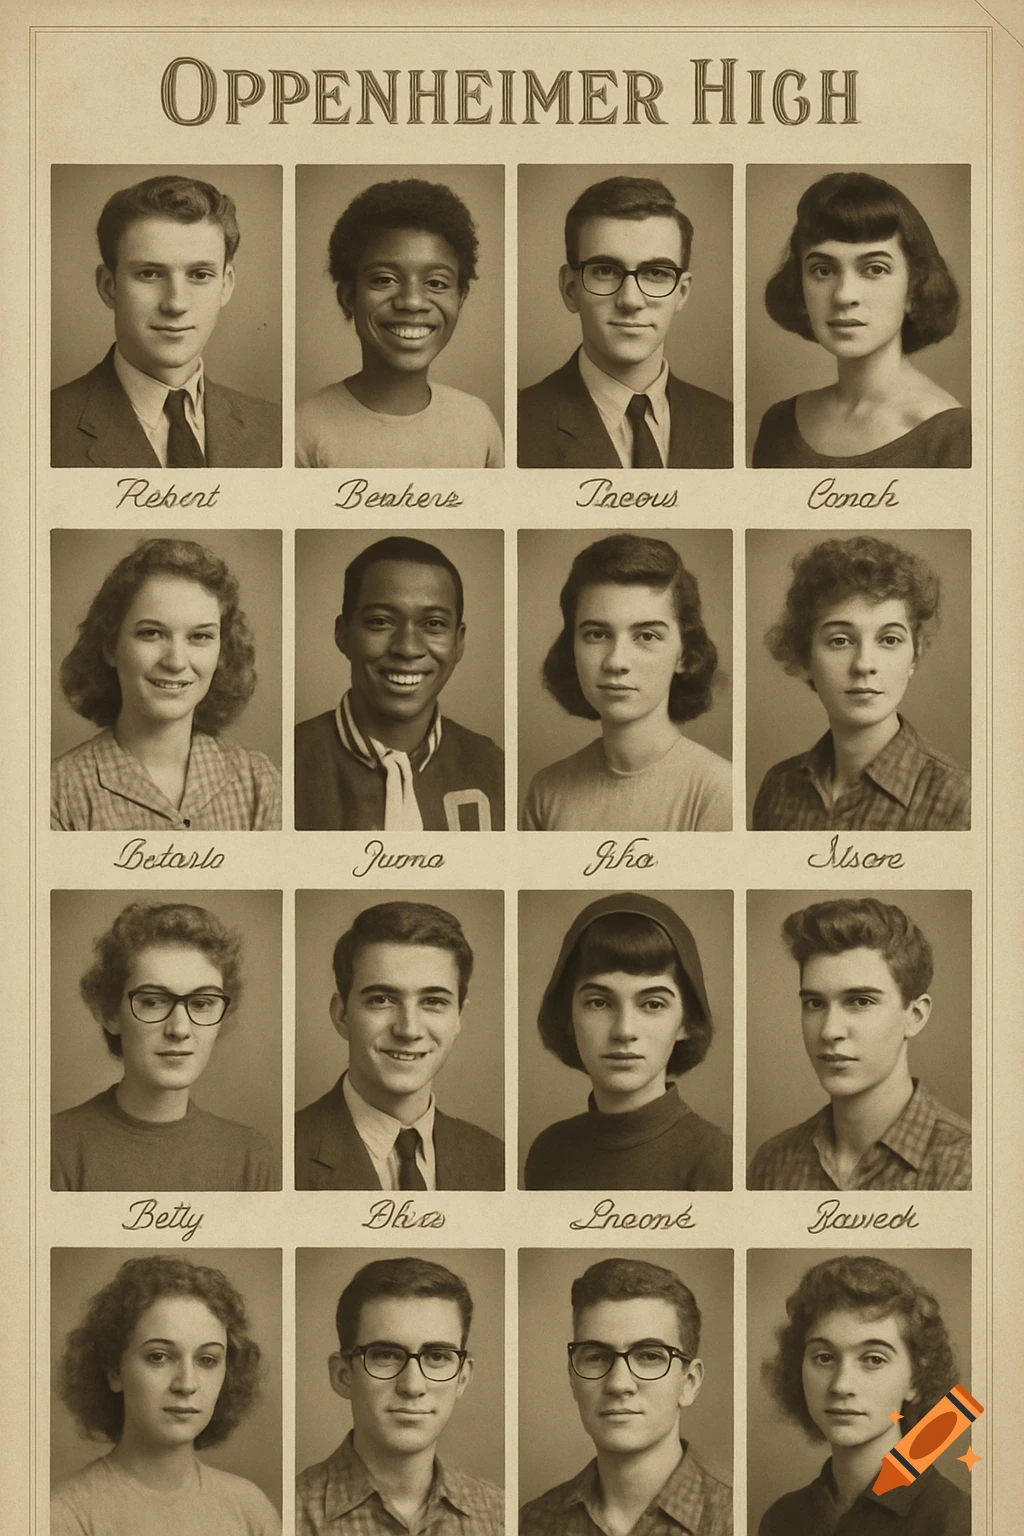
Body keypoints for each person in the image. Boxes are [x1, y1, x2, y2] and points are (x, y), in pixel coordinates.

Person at [51, 537, 281, 831]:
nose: (175, 662)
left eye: (200, 637)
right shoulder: (57, 795)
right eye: (151, 633)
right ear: (110, 646)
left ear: (221, 652)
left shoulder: (260, 785)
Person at [51, 173, 281, 468]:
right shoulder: (39, 428)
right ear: (109, 287)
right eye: (149, 273)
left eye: (199, 275)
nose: (175, 304)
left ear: (226, 285)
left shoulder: (275, 428)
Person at [51, 900, 279, 1191]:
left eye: (201, 1003)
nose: (180, 1029)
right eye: (153, 1002)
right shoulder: (54, 1147)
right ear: (110, 1013)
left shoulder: (252, 1157)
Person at [748, 899, 970, 1191]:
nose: (829, 1031)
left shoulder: (969, 1168)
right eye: (814, 1003)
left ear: (915, 1016)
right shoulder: (772, 1163)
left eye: (861, 1001)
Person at [751, 535, 970, 831]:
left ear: (914, 656)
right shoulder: (778, 789)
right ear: (806, 657)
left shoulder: (962, 802)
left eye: (889, 640)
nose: (864, 665)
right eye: (840, 641)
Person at [752, 171, 970, 468]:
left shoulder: (956, 439)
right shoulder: (779, 425)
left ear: (913, 288)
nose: (844, 295)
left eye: (875, 269)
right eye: (823, 270)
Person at [51, 1254, 281, 1534]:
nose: (186, 1384)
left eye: (207, 1360)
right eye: (159, 1357)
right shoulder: (65, 1516)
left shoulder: (251, 1510)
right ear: (114, 1371)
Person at [517, 175, 732, 468]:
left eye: (656, 273)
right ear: (570, 289)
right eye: (605, 270)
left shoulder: (727, 423)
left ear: (681, 293)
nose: (630, 300)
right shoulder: (518, 424)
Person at [522, 535, 731, 832]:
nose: (616, 662)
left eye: (646, 636)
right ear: (572, 648)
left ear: (684, 654)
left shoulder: (718, 790)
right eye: (597, 634)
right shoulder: (546, 791)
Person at [294, 536, 504, 831]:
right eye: (381, 621)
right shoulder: (287, 766)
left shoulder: (495, 768)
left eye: (433, 624)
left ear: (458, 642)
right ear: (343, 634)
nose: (407, 648)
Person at [523, 894, 731, 1190]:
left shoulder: (717, 1161)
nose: (624, 1030)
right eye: (598, 1003)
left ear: (686, 1022)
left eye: (653, 1004)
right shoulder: (548, 1152)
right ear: (568, 1017)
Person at [295, 901, 504, 1190]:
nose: (408, 1030)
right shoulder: (285, 1154)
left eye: (433, 1002)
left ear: (458, 1018)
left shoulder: (495, 1159)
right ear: (341, 1015)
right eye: (381, 999)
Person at [295, 178, 503, 468]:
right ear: (348, 296)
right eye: (384, 280)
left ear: (460, 298)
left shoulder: (478, 422)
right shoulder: (303, 430)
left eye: (436, 282)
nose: (412, 301)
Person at [757, 1254, 971, 1533]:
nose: (841, 1385)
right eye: (824, 1357)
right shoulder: (782, 1519)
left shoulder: (959, 1521)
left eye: (873, 1359)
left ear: (915, 1380)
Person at [520, 1257, 732, 1535]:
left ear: (689, 1382)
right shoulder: (532, 1522)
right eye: (596, 1357)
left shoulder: (733, 1518)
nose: (619, 1384)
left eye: (649, 1356)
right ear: (572, 1377)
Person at [296, 1256, 503, 1534]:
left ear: (462, 1378)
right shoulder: (288, 1516)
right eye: (386, 1355)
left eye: (438, 1356)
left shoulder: (500, 1516)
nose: (412, 1385)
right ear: (343, 1375)